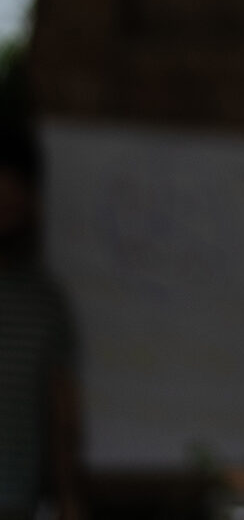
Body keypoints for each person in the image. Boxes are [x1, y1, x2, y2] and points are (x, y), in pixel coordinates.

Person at [0, 120, 83, 520]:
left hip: (18, 501)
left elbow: (60, 409)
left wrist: (68, 496)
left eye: (17, 188)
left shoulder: (45, 302)